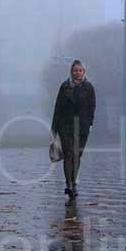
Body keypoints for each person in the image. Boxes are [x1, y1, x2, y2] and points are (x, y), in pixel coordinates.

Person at [51, 59, 96, 205]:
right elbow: (57, 107)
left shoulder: (89, 88)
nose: (78, 73)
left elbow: (92, 107)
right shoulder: (64, 87)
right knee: (69, 154)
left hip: (82, 126)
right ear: (71, 71)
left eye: (80, 70)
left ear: (84, 72)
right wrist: (54, 128)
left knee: (77, 155)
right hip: (66, 125)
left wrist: (90, 123)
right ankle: (69, 184)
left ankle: (74, 183)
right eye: (75, 70)